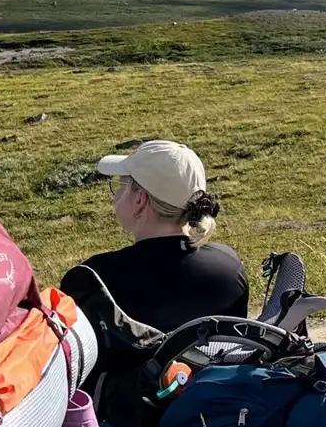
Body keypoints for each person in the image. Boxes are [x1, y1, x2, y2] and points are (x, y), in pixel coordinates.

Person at [77, 139, 247, 331]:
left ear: (140, 199)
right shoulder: (229, 266)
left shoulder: (97, 277)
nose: (115, 194)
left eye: (121, 184)